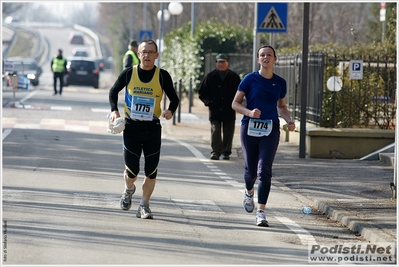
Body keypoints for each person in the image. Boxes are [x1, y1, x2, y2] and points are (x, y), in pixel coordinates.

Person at [108, 39, 179, 219]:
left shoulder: (162, 75)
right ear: (138, 54)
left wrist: (170, 111)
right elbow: (113, 91)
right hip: (131, 128)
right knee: (131, 171)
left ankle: (144, 205)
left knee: (151, 170)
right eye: (143, 52)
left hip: (153, 129)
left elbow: (174, 98)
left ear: (156, 55)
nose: (147, 55)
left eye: (150, 52)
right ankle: (128, 188)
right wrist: (114, 111)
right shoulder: (129, 73)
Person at [231, 45, 296, 227]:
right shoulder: (249, 79)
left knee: (264, 170)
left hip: (270, 129)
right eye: (262, 55)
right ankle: (249, 191)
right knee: (250, 171)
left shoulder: (280, 82)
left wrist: (289, 120)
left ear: (275, 59)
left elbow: (281, 106)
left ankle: (261, 212)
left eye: (269, 55)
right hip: (249, 128)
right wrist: (249, 112)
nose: (265, 58)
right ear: (258, 59)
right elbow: (235, 104)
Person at [198, 54, 241, 160]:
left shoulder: (234, 77)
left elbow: (241, 91)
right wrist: (209, 102)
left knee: (229, 131)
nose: (221, 64)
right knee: (215, 130)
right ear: (216, 63)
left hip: (229, 109)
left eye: (223, 62)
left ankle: (226, 152)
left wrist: (238, 103)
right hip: (215, 109)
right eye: (219, 62)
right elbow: (202, 92)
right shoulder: (210, 76)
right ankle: (216, 152)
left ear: (227, 63)